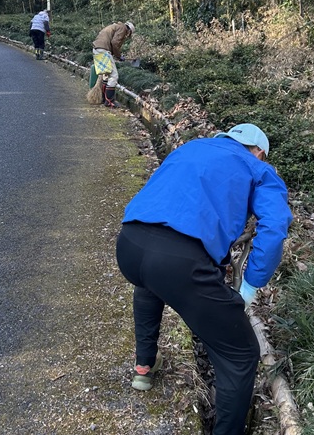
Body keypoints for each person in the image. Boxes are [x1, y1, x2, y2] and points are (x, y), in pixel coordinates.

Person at [115, 123, 293, 435]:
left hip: (129, 244)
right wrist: (251, 284)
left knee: (149, 282)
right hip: (179, 263)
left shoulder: (191, 147)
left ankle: (144, 365)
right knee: (240, 354)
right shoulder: (258, 169)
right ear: (259, 152)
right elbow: (275, 225)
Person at [92, 21, 134, 108]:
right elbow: (115, 43)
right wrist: (119, 56)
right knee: (114, 76)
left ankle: (104, 98)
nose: (127, 35)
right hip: (103, 50)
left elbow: (111, 42)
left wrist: (116, 55)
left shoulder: (115, 26)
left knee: (106, 75)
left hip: (97, 48)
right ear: (129, 30)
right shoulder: (123, 28)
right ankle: (110, 101)